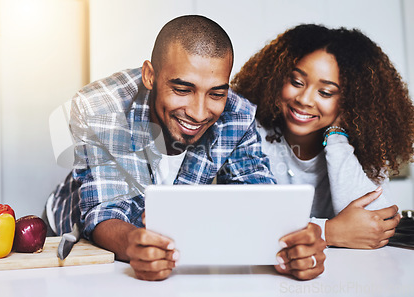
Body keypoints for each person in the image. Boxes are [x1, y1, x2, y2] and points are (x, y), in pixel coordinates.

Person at [46, 16, 326, 281]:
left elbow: (260, 198)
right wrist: (133, 245)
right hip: (68, 238)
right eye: (183, 89)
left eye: (216, 93)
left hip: (168, 254)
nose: (199, 112)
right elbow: (106, 210)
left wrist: (295, 246)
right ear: (150, 76)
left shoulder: (236, 114)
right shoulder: (102, 108)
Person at [231, 24, 413, 250]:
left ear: (351, 101)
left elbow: (374, 226)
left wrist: (336, 138)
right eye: (296, 82)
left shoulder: (367, 148)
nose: (305, 99)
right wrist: (329, 232)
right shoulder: (249, 134)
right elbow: (244, 224)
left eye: (325, 92)